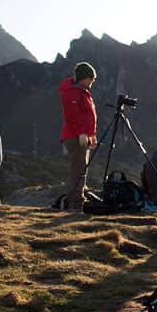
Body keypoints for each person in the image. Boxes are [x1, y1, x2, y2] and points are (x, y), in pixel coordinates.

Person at [59, 62, 97, 212]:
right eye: (91, 78)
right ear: (84, 77)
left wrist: (91, 136)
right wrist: (82, 133)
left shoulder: (81, 92)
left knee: (80, 168)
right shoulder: (73, 93)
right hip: (75, 136)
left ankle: (77, 201)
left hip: (81, 136)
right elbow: (73, 115)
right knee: (78, 169)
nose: (92, 81)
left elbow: (87, 117)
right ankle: (75, 205)